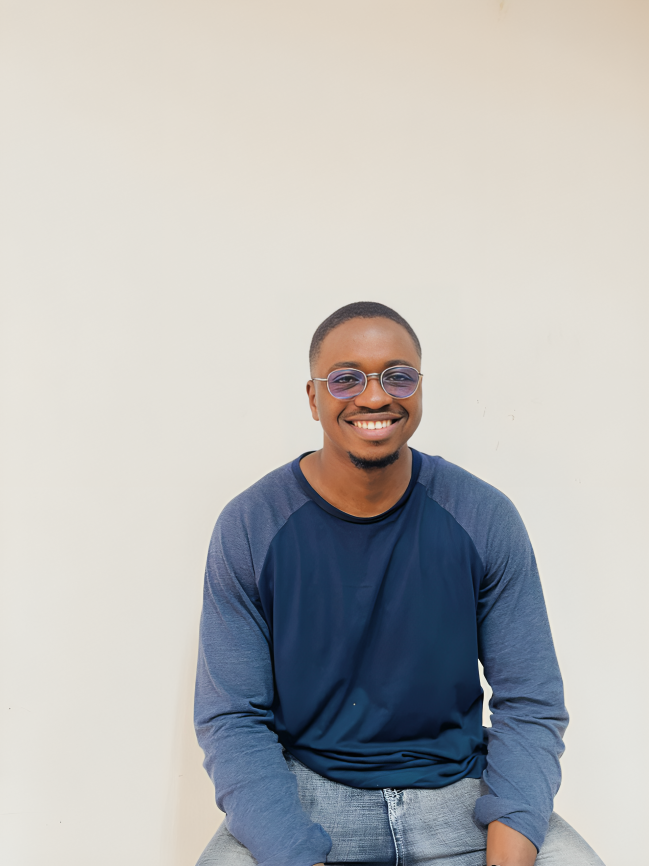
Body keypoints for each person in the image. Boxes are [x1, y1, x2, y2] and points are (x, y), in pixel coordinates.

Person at [194, 302, 603, 866]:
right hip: (308, 794)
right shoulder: (251, 525)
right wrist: (292, 850)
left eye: (398, 376)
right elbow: (232, 718)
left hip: (460, 792)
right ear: (313, 398)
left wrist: (507, 850)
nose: (374, 397)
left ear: (419, 389)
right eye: (346, 379)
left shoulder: (483, 515)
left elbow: (530, 703)